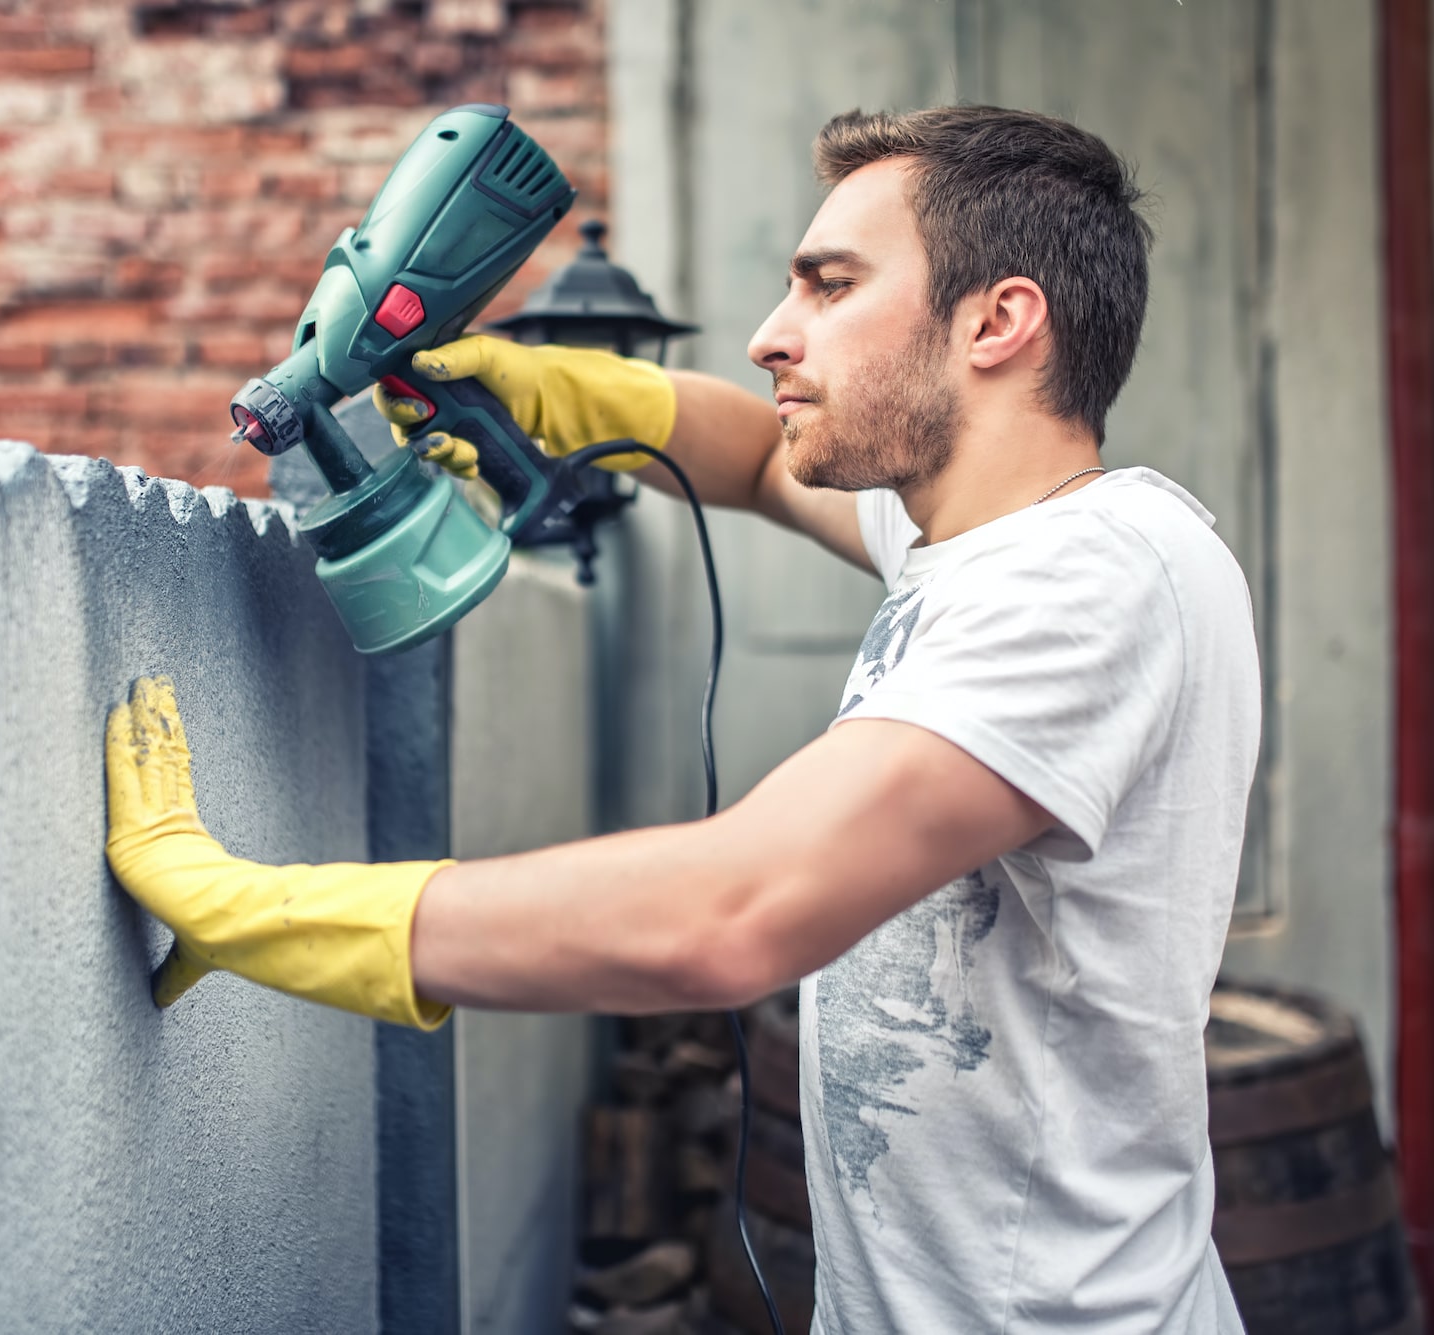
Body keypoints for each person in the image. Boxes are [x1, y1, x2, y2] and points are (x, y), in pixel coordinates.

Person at [104, 106, 1259, 1334]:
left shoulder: (1091, 578)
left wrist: (253, 912)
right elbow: (758, 464)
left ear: (995, 320)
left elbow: (733, 911)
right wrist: (551, 386)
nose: (772, 334)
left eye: (829, 286)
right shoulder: (979, 545)